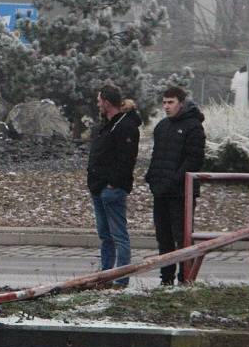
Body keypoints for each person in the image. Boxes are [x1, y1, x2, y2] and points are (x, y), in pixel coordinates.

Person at [145, 86, 206, 286]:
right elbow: (156, 157)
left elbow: (194, 160)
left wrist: (172, 181)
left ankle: (185, 278)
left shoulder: (193, 126)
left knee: (183, 238)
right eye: (164, 102)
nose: (166, 106)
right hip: (161, 192)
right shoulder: (162, 126)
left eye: (170, 102)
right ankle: (166, 279)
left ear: (181, 103)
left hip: (181, 194)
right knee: (164, 238)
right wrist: (152, 179)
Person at [86, 84, 142, 288]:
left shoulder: (125, 126)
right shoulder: (108, 124)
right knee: (105, 235)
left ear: (107, 102)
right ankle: (106, 274)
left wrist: (112, 185)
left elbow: (126, 160)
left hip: (111, 189)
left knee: (119, 235)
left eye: (100, 100)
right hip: (99, 188)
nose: (97, 103)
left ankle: (121, 277)